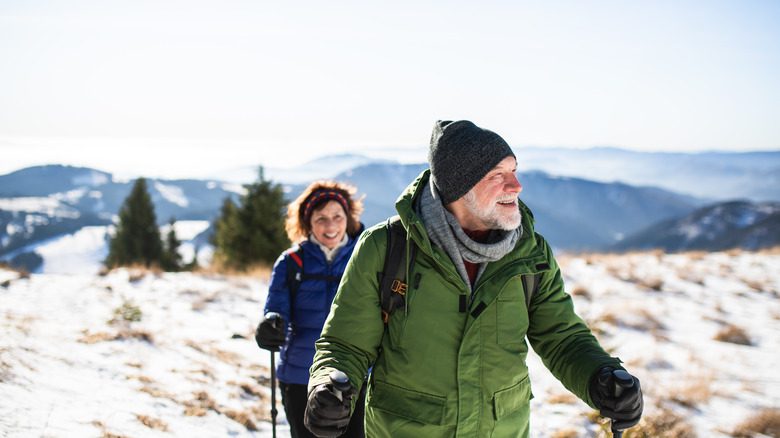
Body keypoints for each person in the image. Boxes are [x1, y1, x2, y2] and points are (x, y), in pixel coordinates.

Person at [303, 121, 643, 437]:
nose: (517, 185)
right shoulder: (387, 247)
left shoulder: (530, 252)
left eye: (514, 170)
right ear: (459, 188)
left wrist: (600, 376)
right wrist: (327, 386)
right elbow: (346, 343)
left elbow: (562, 337)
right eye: (498, 175)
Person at [255, 180, 366, 438]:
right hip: (299, 374)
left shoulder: (366, 256)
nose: (330, 226)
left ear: (348, 218)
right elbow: (276, 308)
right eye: (321, 218)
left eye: (337, 216)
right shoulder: (291, 262)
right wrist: (271, 326)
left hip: (355, 374)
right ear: (308, 223)